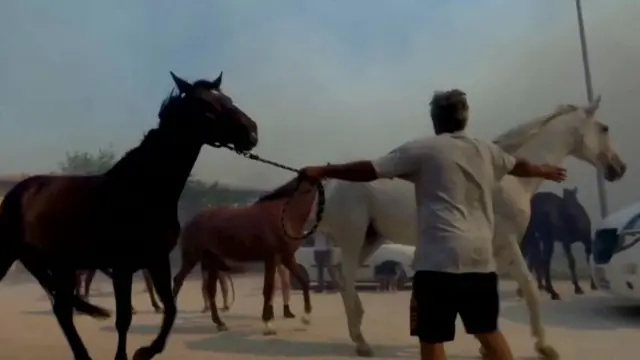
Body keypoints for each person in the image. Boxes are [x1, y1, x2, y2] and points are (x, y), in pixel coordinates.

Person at [298, 89, 566, 360]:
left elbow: (370, 170)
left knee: (431, 337)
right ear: (465, 119)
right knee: (488, 332)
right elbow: (517, 165)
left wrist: (324, 170)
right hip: (480, 261)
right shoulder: (486, 150)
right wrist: (545, 171)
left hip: (438, 262)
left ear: (435, 121)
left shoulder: (422, 149)